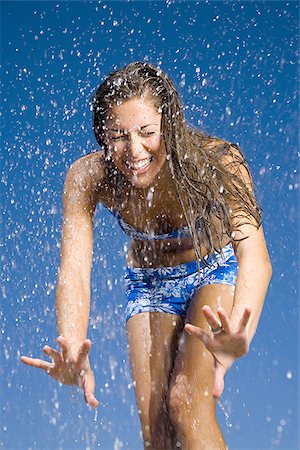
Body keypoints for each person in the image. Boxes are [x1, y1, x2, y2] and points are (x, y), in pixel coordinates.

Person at [21, 61, 272, 450]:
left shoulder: (217, 162)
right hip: (149, 284)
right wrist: (71, 345)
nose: (134, 151)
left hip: (211, 270)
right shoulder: (87, 177)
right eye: (119, 136)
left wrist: (241, 332)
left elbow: (255, 256)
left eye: (147, 132)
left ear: (168, 125)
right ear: (103, 134)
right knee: (157, 434)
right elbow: (74, 271)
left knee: (185, 403)